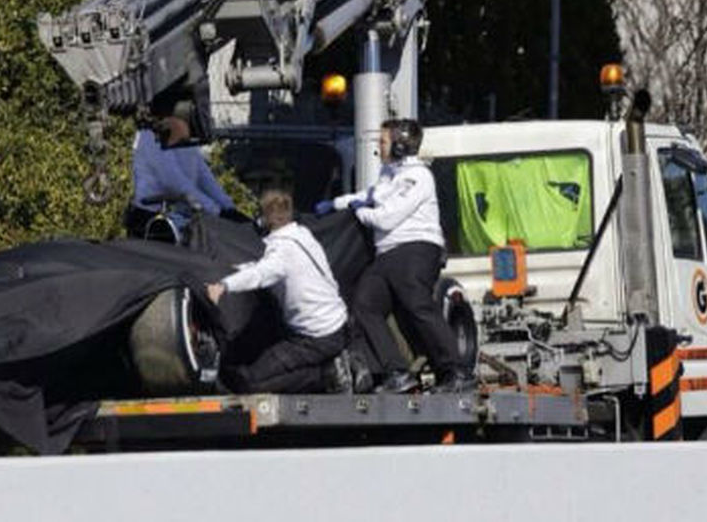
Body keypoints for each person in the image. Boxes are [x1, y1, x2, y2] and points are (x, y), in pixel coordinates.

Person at [314, 118, 476, 394]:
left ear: (401, 147)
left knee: (417, 305)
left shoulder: (418, 177)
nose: (379, 147)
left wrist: (358, 211)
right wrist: (335, 204)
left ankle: (457, 370)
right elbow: (370, 195)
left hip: (416, 249)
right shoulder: (390, 175)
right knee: (364, 304)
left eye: (384, 142)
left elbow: (386, 218)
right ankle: (397, 371)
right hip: (389, 253)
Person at [205, 189, 356, 393]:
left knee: (251, 381)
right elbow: (266, 266)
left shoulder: (282, 251)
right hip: (338, 324)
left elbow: (261, 273)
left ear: (266, 218)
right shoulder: (302, 235)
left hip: (316, 337)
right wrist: (240, 270)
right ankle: (330, 365)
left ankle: (327, 375)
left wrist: (224, 286)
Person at [125, 115, 247, 239]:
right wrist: (216, 211)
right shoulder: (150, 135)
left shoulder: (181, 131)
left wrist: (229, 208)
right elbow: (174, 182)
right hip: (152, 219)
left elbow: (203, 174)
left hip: (183, 215)